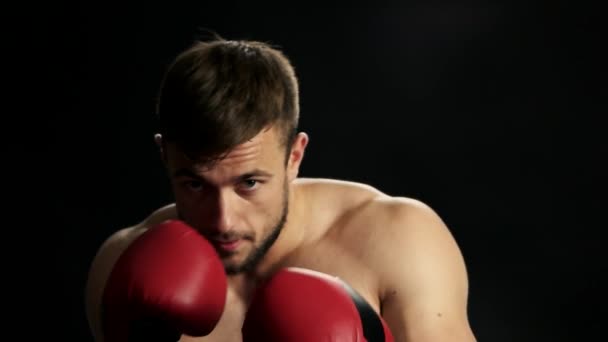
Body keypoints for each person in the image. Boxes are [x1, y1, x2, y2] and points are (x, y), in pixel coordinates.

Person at [85, 34, 477, 341]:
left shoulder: (396, 240)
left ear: (294, 156)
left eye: (249, 183)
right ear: (164, 157)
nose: (224, 219)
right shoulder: (124, 263)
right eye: (195, 184)